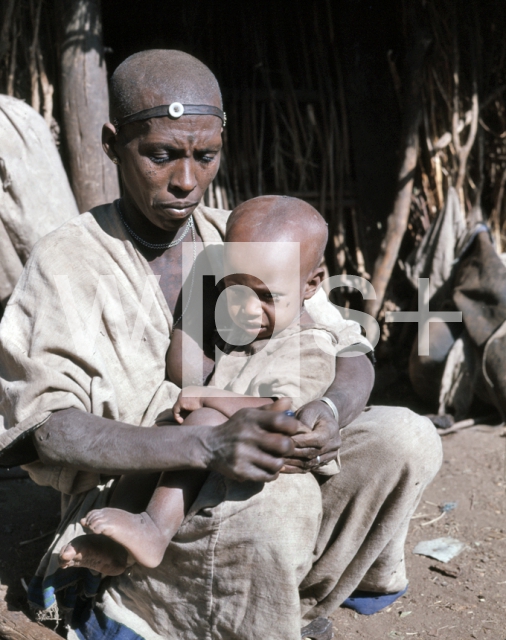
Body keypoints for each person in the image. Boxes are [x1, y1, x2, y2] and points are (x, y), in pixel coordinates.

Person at [0, 49, 442, 640]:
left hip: (258, 462)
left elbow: (347, 345)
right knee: (280, 505)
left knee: (405, 438)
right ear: (112, 143)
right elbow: (48, 429)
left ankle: (284, 597)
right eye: (161, 155)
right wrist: (206, 444)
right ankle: (171, 604)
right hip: (141, 503)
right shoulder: (68, 260)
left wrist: (329, 413)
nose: (186, 179)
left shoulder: (240, 233)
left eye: (204, 156)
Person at [59, 195, 340, 574]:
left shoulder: (311, 345)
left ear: (312, 285)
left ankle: (154, 531)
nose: (248, 308)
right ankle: (116, 550)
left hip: (273, 464)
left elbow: (284, 413)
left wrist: (208, 397)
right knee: (162, 434)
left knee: (204, 421)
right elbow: (181, 370)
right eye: (236, 288)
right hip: (223, 455)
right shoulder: (246, 328)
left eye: (268, 297)